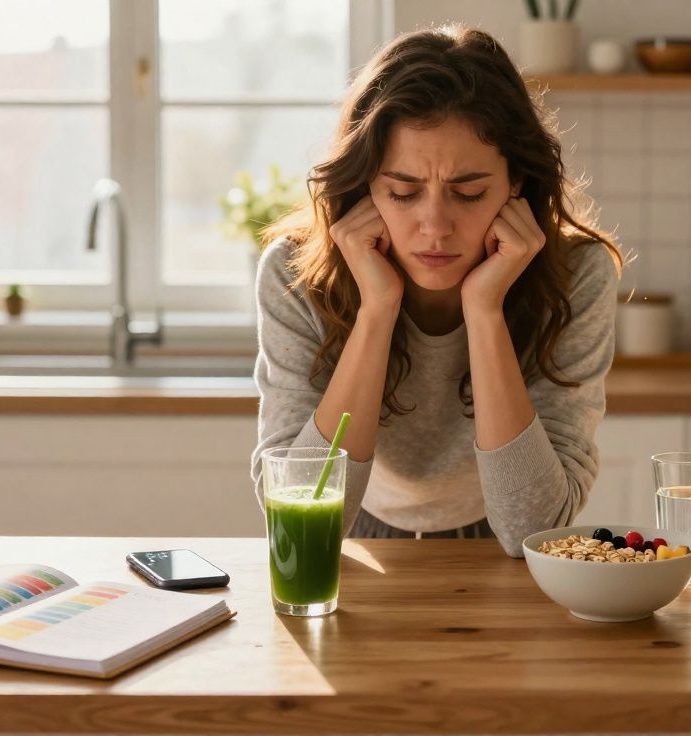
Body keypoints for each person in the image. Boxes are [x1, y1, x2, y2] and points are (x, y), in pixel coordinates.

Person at [250, 24, 625, 557]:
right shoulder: (294, 272)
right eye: (403, 193)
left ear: (516, 181)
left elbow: (532, 527)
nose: (435, 226)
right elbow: (304, 521)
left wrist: (485, 311)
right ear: (365, 187)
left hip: (501, 548)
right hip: (358, 539)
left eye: (468, 193)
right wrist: (377, 311)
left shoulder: (577, 273)